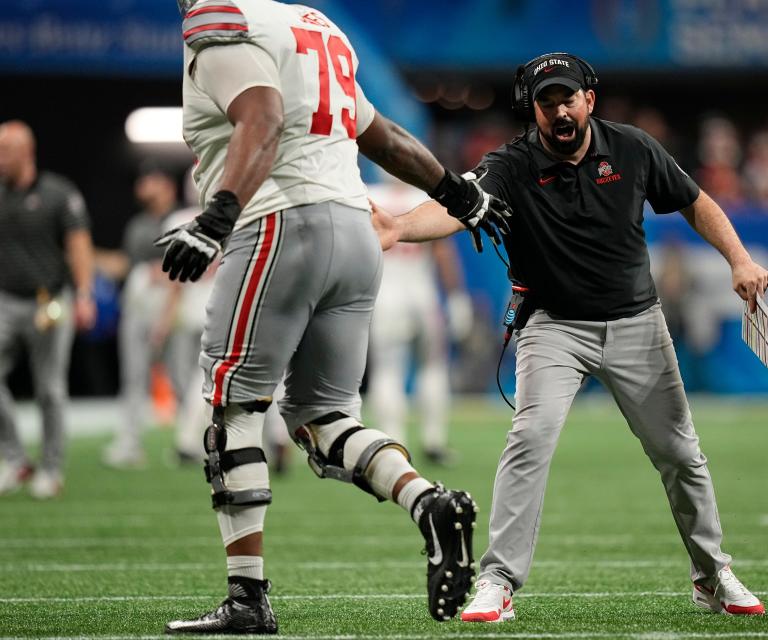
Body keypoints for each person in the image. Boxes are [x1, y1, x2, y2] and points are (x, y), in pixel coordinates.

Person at [374, 52, 768, 621]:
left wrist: (739, 258)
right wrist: (397, 227)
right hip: (553, 327)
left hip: (637, 322)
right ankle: (498, 581)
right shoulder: (511, 163)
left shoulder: (632, 148)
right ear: (532, 108)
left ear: (589, 99)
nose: (559, 111)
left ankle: (712, 575)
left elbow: (695, 202)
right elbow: (458, 205)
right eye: (546, 101)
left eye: (567, 98)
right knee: (529, 440)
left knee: (681, 453)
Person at [159, 0, 510, 633]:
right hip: (354, 230)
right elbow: (385, 137)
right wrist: (456, 192)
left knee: (234, 408)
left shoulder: (219, 20)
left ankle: (247, 600)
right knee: (323, 420)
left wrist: (217, 217)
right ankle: (425, 501)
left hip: (277, 223)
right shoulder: (314, 24)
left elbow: (261, 119)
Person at [0, 120, 97, 499]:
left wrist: (85, 294)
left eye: (5, 150)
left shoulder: (58, 193)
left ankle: (51, 469)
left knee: (49, 389)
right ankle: (16, 459)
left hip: (50, 300)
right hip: (6, 299)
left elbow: (78, 244)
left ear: (26, 152)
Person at [366, 181, 472, 466]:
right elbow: (442, 251)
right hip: (423, 296)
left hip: (385, 298)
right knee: (433, 367)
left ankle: (393, 442)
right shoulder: (423, 196)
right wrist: (456, 295)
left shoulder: (369, 196)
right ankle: (433, 441)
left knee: (387, 371)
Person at [102, 164, 183, 468]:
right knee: (133, 377)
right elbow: (128, 265)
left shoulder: (181, 218)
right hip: (137, 304)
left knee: (182, 376)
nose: (144, 187)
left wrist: (167, 307)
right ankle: (130, 442)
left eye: (151, 180)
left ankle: (193, 442)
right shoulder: (138, 224)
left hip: (173, 305)